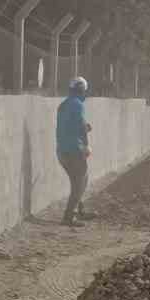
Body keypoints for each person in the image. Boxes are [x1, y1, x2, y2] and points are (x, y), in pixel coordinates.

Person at [56, 75, 92, 227]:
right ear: (82, 90)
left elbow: (68, 125)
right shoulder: (78, 105)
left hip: (61, 151)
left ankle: (80, 210)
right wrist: (86, 146)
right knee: (81, 182)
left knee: (77, 181)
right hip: (74, 150)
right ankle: (68, 216)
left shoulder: (63, 104)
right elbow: (81, 127)